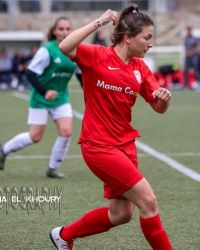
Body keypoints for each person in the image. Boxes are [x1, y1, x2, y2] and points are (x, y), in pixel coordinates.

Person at [50, 4, 172, 250]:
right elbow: (65, 46)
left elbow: (157, 108)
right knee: (148, 201)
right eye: (147, 38)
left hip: (125, 146)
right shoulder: (97, 56)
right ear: (128, 38)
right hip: (99, 146)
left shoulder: (141, 69)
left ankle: (64, 236)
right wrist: (99, 21)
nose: (151, 44)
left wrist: (163, 100)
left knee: (121, 214)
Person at [0, 17, 80, 179]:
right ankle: (4, 149)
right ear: (54, 31)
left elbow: (80, 75)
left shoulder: (75, 50)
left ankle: (52, 169)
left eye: (68, 29)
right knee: (35, 137)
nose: (65, 32)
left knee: (66, 132)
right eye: (61, 29)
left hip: (61, 97)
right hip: (40, 98)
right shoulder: (47, 50)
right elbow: (30, 73)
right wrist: (45, 91)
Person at [183, 26, 200, 90]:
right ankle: (186, 84)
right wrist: (186, 52)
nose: (189, 32)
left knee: (196, 70)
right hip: (187, 57)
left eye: (190, 30)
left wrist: (192, 52)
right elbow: (185, 47)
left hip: (194, 57)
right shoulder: (186, 38)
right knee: (186, 70)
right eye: (188, 30)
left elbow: (198, 47)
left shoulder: (195, 39)